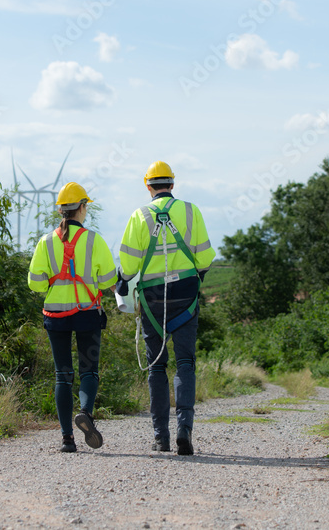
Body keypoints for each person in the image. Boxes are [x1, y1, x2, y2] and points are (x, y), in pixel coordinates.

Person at [118, 161, 215, 455]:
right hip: (185, 293)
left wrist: (122, 283)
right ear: (172, 185)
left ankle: (160, 436)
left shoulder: (138, 216)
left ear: (148, 186)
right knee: (185, 362)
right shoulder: (190, 211)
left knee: (156, 365)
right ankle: (184, 429)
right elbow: (205, 258)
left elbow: (130, 266)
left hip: (152, 298)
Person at [28, 181, 117, 453]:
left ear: (60, 211)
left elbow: (35, 283)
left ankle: (67, 439)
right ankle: (86, 415)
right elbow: (108, 280)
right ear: (82, 208)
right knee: (89, 370)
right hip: (87, 314)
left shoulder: (45, 242)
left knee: (62, 375)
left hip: (56, 316)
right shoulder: (94, 240)